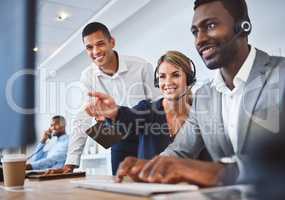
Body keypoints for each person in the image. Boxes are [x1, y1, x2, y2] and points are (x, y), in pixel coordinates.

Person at [114, 0, 285, 187]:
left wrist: (217, 172)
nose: (200, 40)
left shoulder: (280, 75)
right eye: (195, 32)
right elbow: (180, 151)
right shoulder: (205, 97)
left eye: (211, 25)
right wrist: (149, 167)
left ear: (243, 26)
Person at [59, 22, 159, 175]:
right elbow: (82, 118)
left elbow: (159, 106)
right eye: (89, 47)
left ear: (112, 42)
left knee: (150, 181)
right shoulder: (87, 76)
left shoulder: (141, 66)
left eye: (100, 44)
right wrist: (71, 161)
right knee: (120, 186)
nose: (96, 51)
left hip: (147, 136)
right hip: (118, 139)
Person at [85, 50, 197, 160]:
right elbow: (129, 117)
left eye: (175, 75)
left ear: (189, 79)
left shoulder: (199, 114)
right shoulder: (147, 110)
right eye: (162, 76)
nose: (168, 82)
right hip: (148, 177)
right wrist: (115, 113)